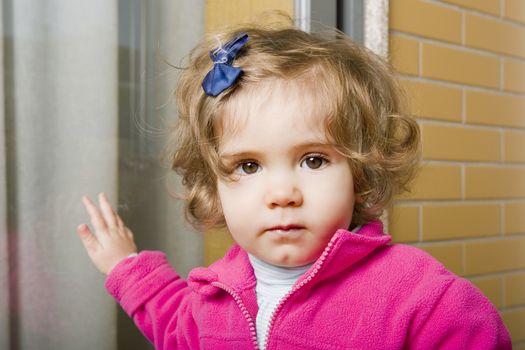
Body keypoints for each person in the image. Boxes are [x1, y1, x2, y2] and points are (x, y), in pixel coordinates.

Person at [76, 23, 512, 349]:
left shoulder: (425, 301)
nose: (282, 194)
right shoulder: (214, 295)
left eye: (314, 159)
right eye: (248, 166)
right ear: (214, 185)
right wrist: (125, 267)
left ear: (359, 172)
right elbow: (175, 325)